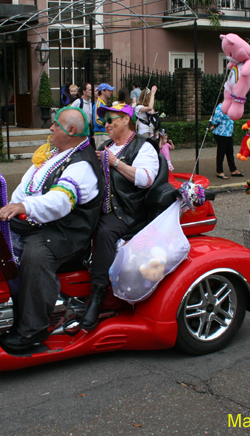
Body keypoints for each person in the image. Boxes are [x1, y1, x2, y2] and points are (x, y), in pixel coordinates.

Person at [0, 108, 102, 352]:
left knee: (36, 256)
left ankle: (32, 329)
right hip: (42, 223)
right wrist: (12, 205)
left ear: (71, 130)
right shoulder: (57, 153)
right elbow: (28, 185)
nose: (51, 128)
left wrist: (24, 207)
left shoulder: (82, 165)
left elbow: (61, 200)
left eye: (56, 124)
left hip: (66, 233)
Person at [84, 103, 159, 329]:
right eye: (104, 120)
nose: (106, 124)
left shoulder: (143, 146)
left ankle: (97, 296)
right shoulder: (106, 146)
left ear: (126, 119)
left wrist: (114, 163)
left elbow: (145, 179)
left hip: (127, 210)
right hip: (101, 206)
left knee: (105, 231)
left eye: (110, 119)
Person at [209, 97, 243, 179]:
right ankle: (219, 171)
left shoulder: (229, 107)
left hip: (228, 133)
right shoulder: (220, 107)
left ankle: (233, 170)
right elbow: (216, 119)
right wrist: (214, 125)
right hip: (221, 133)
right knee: (221, 152)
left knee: (230, 152)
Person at [93, 83, 115, 148]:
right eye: (109, 90)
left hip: (104, 134)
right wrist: (109, 124)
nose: (111, 92)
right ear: (103, 91)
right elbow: (97, 122)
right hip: (101, 134)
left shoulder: (103, 103)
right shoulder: (99, 104)